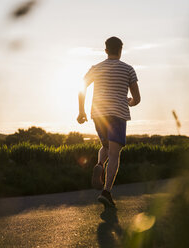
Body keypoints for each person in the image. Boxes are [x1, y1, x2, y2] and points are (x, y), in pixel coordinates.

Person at [77, 36, 140, 208]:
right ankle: (106, 192)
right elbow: (137, 98)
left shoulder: (96, 68)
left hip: (98, 114)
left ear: (106, 50)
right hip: (117, 115)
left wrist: (81, 111)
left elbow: (81, 88)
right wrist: (130, 102)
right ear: (121, 50)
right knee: (114, 154)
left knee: (106, 147)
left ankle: (99, 165)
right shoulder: (128, 69)